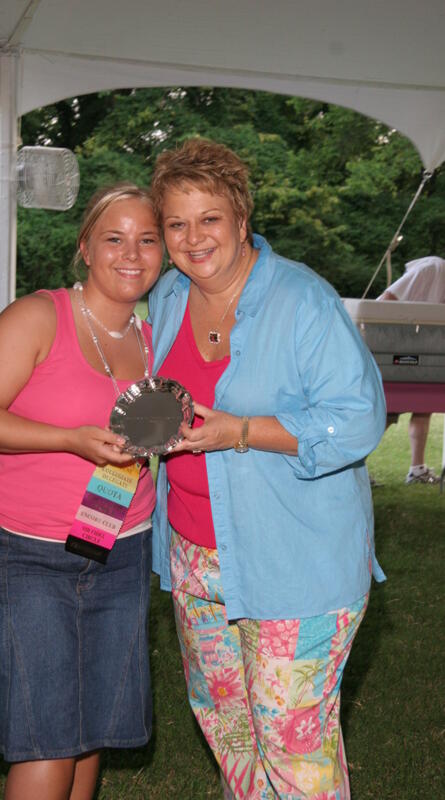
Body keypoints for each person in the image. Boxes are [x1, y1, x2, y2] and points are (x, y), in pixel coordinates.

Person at [148, 139, 386, 800]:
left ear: (241, 220)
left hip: (294, 564)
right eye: (176, 223)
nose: (194, 238)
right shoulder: (168, 295)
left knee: (292, 743)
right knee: (226, 727)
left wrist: (240, 432)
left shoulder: (300, 300)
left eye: (210, 219)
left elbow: (358, 418)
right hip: (196, 559)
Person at [0, 183, 162, 800]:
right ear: (85, 248)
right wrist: (69, 439)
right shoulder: (40, 316)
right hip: (26, 548)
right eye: (114, 238)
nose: (132, 253)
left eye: (147, 239)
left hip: (120, 547)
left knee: (91, 726)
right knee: (45, 738)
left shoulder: (153, 337)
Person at [377, 256, 445, 485]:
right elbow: (385, 301)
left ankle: (417, 470)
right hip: (392, 350)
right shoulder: (433, 268)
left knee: (424, 405)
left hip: (420, 352)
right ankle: (348, 471)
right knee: (385, 412)